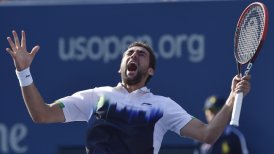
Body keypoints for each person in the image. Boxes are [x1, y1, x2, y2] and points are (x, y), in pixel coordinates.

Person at [6, 30, 251, 154]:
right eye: (129, 53)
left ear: (150, 70)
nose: (133, 55)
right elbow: (41, 114)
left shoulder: (162, 105)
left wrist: (231, 98)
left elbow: (207, 134)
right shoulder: (95, 96)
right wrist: (23, 73)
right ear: (120, 65)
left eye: (141, 54)